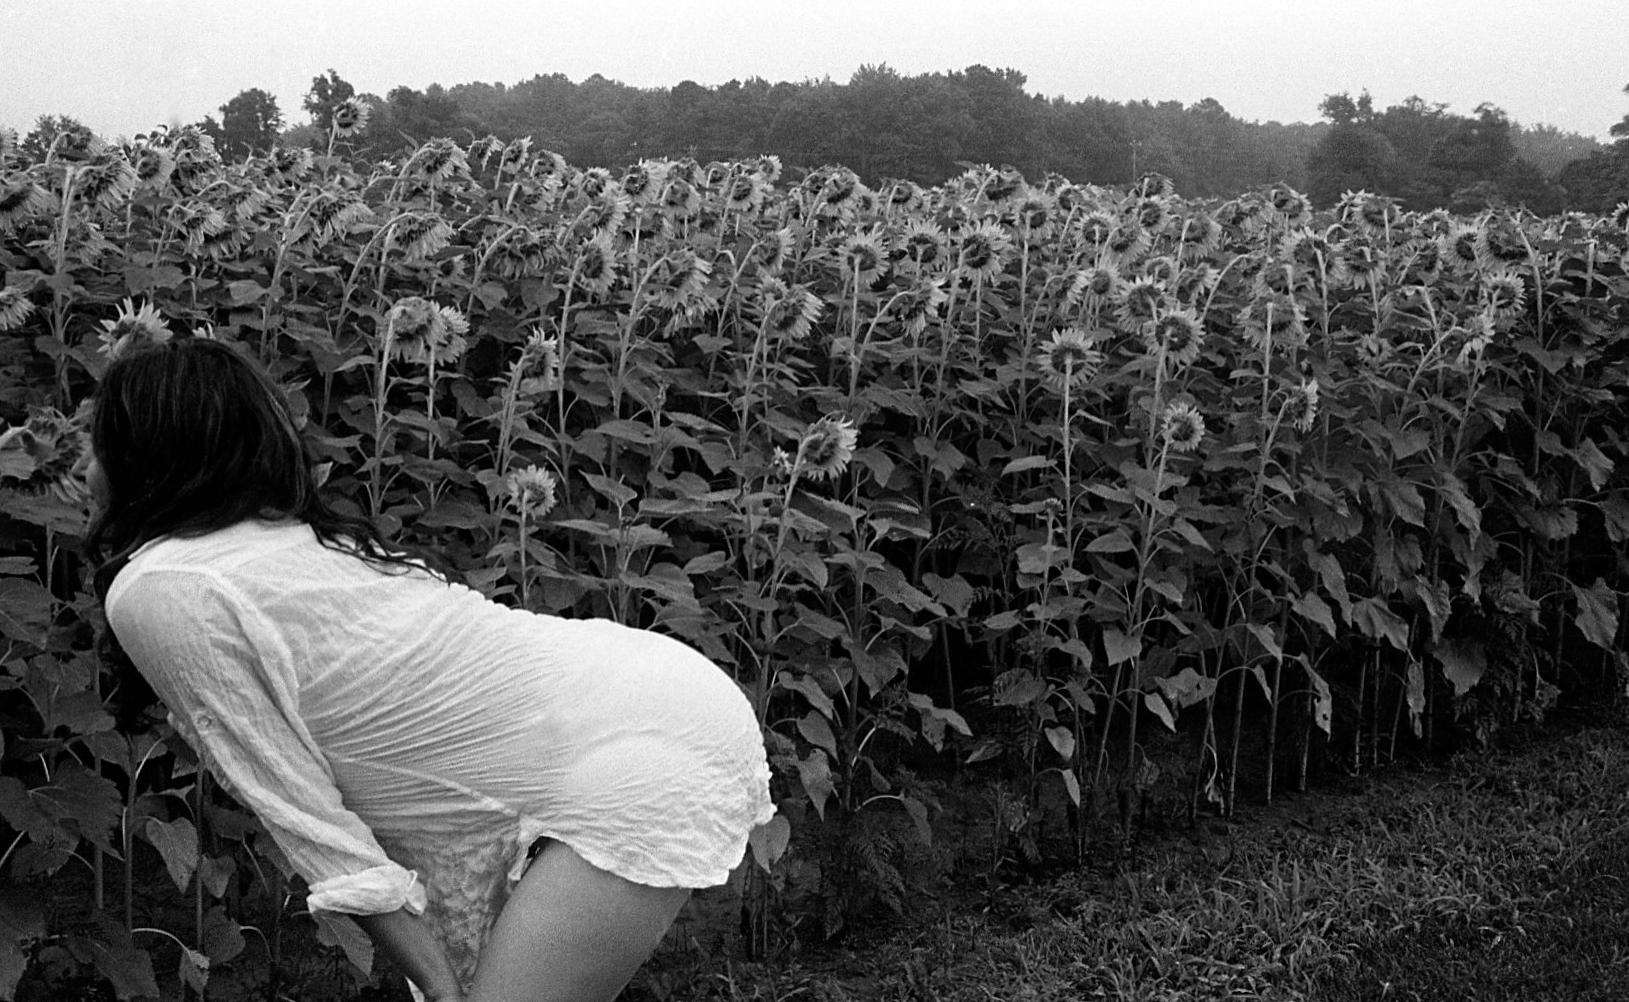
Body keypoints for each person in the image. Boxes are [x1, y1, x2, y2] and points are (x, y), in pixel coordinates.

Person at [87, 336, 776, 1002]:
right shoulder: (284, 544)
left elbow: (307, 820)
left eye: (97, 443)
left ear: (137, 458)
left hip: (636, 753)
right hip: (642, 698)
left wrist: (444, 988)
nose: (87, 468)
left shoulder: (163, 587)